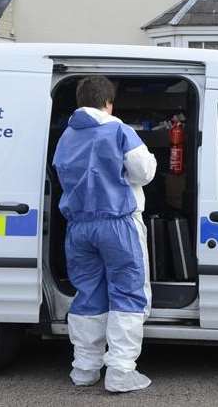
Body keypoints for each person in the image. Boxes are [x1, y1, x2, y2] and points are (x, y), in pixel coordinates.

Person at [53, 76, 157, 392]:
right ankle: (121, 372)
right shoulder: (119, 130)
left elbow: (60, 173)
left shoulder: (66, 136)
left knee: (88, 294)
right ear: (108, 102)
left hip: (79, 227)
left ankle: (84, 369)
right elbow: (144, 172)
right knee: (127, 292)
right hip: (118, 224)